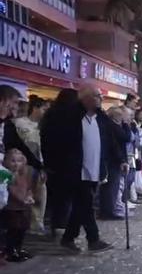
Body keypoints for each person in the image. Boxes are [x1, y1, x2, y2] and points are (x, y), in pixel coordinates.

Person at [59, 84, 118, 253]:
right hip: (77, 170)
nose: (101, 99)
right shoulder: (72, 118)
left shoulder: (101, 119)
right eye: (97, 95)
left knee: (80, 206)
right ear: (85, 98)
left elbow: (112, 140)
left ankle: (68, 238)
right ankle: (93, 239)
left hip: (94, 170)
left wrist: (120, 159)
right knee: (86, 204)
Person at [39, 88, 79, 237]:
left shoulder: (50, 117)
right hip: (68, 162)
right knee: (66, 197)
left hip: (52, 162)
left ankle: (57, 226)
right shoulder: (72, 117)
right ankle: (62, 227)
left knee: (57, 197)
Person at [12, 96, 49, 232]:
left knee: (40, 193)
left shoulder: (45, 127)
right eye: (44, 109)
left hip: (39, 165)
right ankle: (22, 224)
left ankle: (37, 223)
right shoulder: (19, 123)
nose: (46, 112)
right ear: (35, 108)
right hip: (22, 165)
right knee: (22, 193)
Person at [2, 149, 34, 261]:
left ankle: (18, 248)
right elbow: (11, 190)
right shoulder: (5, 175)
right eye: (13, 161)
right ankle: (10, 251)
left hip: (23, 207)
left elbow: (28, 188)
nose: (16, 164)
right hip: (12, 208)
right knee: (13, 229)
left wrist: (29, 196)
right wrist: (22, 199)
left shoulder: (23, 174)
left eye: (19, 161)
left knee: (22, 229)